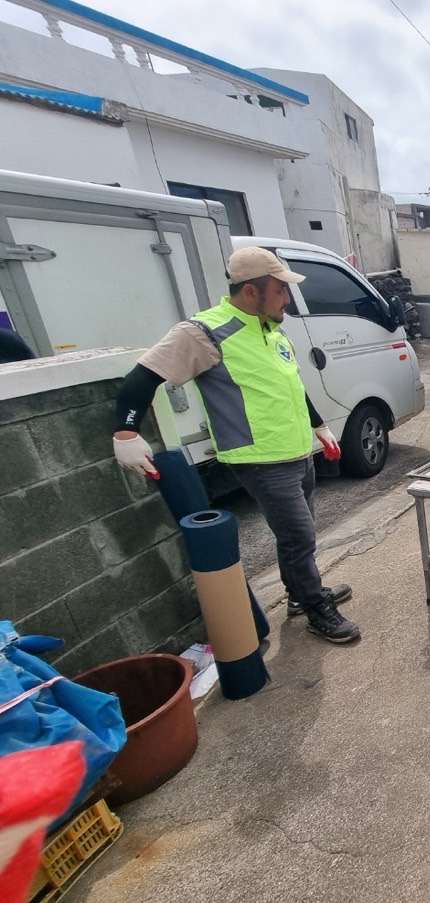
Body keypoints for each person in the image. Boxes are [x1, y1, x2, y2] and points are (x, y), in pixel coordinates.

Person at [111, 247, 360, 644]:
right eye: (280, 290)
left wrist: (319, 427)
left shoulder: (270, 330)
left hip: (297, 451)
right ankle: (315, 609)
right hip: (260, 459)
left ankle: (300, 594)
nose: (287, 299)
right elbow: (142, 377)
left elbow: (291, 387)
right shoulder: (205, 331)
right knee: (299, 536)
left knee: (300, 533)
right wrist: (125, 432)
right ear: (251, 291)